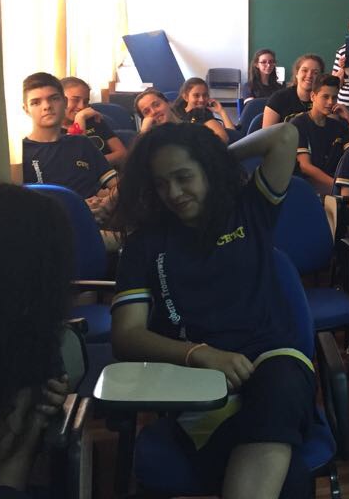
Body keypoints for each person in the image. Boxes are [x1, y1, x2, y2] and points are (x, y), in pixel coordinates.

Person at [110, 121, 317, 499]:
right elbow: (127, 335)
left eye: (184, 177)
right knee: (291, 479)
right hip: (198, 380)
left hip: (272, 358)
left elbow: (285, 136)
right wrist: (199, 354)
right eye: (161, 183)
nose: (173, 193)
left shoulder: (248, 209)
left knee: (282, 386)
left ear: (207, 169)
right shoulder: (144, 244)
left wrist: (217, 157)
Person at [0, 184, 73, 495]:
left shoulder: (27, 340)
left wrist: (37, 413)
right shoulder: (27, 336)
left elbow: (7, 471)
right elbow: (7, 475)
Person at [21, 73, 118, 221]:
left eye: (54, 98)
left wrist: (107, 202)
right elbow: (26, 208)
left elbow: (118, 184)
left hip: (97, 222)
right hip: (54, 225)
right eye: (35, 102)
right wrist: (77, 208)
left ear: (64, 102)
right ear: (26, 109)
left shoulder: (83, 143)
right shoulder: (22, 153)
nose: (46, 106)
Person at [291, 75, 349, 196]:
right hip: (308, 185)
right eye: (325, 97)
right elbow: (305, 166)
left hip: (335, 183)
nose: (330, 102)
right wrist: (336, 184)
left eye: (334, 97)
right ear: (313, 96)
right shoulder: (299, 123)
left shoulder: (338, 125)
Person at [60, 76, 128, 167]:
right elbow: (77, 162)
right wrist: (80, 119)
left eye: (85, 102)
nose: (81, 106)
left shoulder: (94, 121)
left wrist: (92, 163)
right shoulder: (52, 131)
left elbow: (122, 154)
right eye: (75, 100)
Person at [263, 54, 324, 127]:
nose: (309, 75)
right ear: (297, 74)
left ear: (321, 77)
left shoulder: (324, 100)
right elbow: (267, 133)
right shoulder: (278, 98)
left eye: (315, 73)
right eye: (304, 70)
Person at [172, 77, 233, 143]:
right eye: (196, 95)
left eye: (205, 95)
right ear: (185, 97)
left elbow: (226, 137)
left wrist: (222, 111)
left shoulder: (204, 114)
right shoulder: (174, 112)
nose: (202, 99)